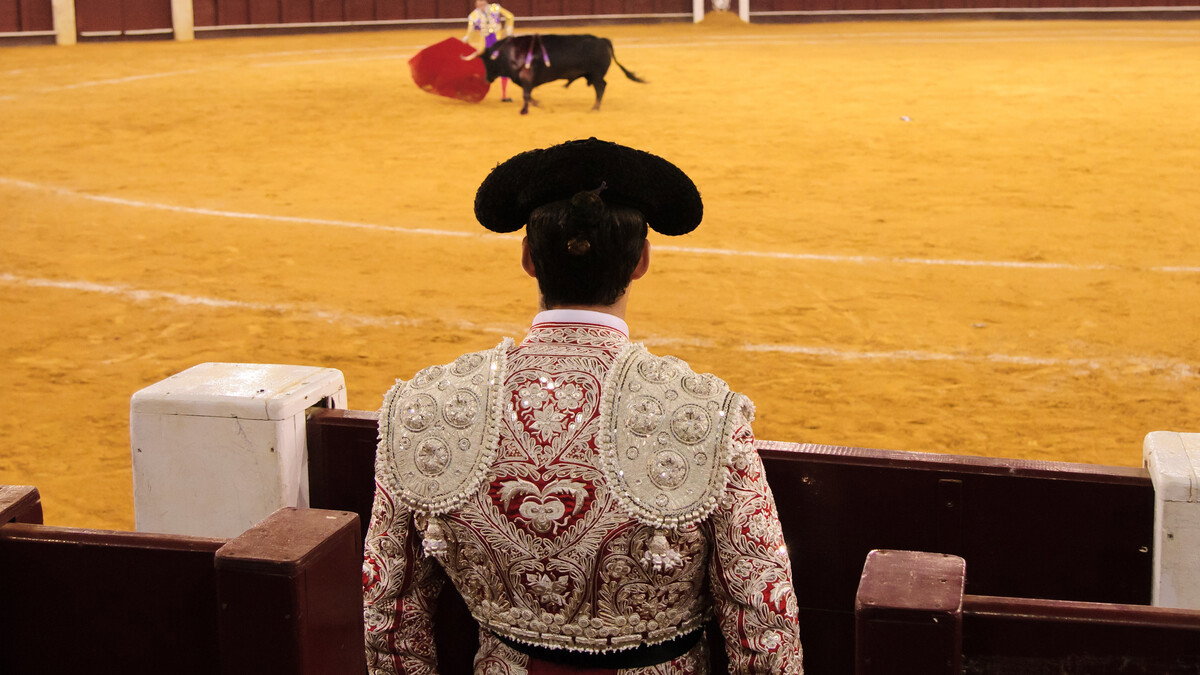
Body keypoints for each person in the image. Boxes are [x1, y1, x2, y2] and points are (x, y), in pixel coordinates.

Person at [363, 138, 803, 673]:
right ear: (641, 261)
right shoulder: (707, 412)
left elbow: (389, 612)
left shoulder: (423, 406)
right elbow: (762, 618)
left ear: (528, 259)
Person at [463, 0, 514, 102]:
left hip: (496, 41)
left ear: (486, 2)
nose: (481, 5)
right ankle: (474, 91)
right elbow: (470, 31)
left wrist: (508, 31)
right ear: (476, 5)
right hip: (487, 42)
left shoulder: (493, 8)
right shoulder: (473, 15)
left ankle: (504, 95)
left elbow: (510, 16)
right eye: (479, 3)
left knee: (503, 66)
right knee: (481, 68)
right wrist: (467, 38)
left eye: (482, 3)